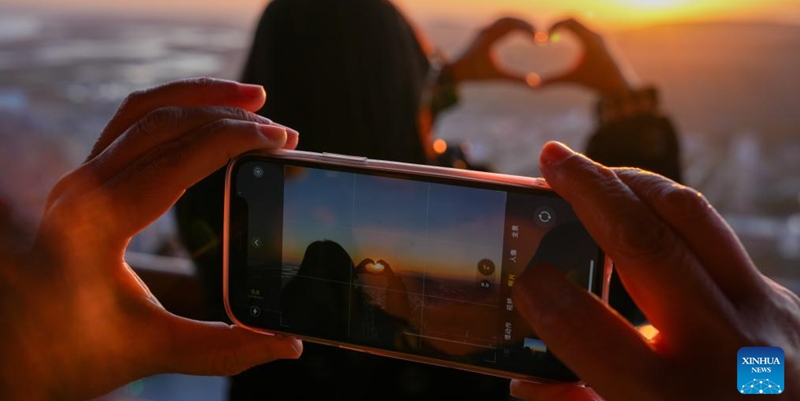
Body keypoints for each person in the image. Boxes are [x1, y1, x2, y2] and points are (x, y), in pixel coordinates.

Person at [1, 78, 797, 401]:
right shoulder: (472, 343)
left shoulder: (210, 244)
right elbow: (714, 341)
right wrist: (779, 381)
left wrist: (22, 359)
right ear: (415, 105)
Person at [177, 0, 680, 399]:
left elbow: (356, 114)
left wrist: (436, 78)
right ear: (409, 88)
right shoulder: (465, 215)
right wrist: (625, 102)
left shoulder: (216, 204)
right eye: (424, 70)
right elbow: (629, 284)